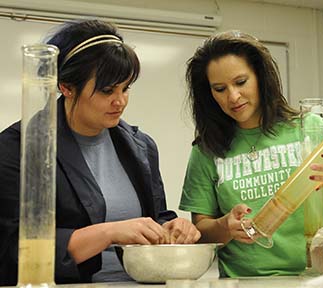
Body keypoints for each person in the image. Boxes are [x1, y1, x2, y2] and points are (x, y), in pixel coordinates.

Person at [179, 31, 323, 277]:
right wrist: (225, 226)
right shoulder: (207, 149)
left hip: (315, 278)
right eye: (220, 88)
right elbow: (201, 231)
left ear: (261, 78)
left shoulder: (312, 129)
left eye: (241, 82)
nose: (233, 96)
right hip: (244, 283)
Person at [0, 19, 200, 285]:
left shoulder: (142, 147)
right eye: (107, 91)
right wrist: (107, 233)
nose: (120, 101)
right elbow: (13, 248)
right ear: (66, 87)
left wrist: (172, 228)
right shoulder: (18, 148)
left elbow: (157, 216)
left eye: (125, 88)